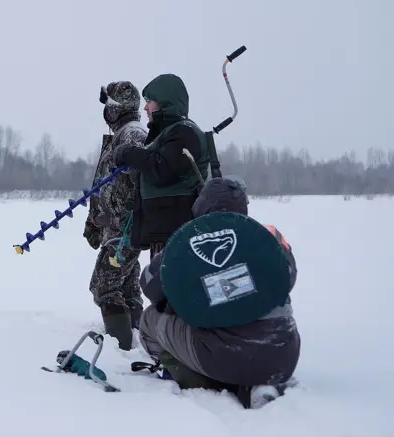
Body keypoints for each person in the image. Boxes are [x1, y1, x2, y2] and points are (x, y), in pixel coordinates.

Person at [136, 177, 300, 408]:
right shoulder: (269, 235)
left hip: (219, 357)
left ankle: (198, 379)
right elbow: (289, 276)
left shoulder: (185, 241)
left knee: (149, 320)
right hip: (282, 353)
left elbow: (149, 285)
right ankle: (262, 384)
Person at [113, 73, 210, 257]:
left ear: (165, 103)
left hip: (179, 235)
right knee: (158, 285)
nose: (145, 107)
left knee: (172, 285)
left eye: (150, 101)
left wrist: (127, 153)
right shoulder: (167, 134)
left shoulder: (185, 133)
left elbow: (161, 168)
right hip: (165, 234)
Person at [83, 81, 148, 350]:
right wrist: (94, 220)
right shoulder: (118, 136)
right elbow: (105, 184)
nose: (104, 111)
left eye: (107, 104)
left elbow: (141, 178)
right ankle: (140, 342)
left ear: (116, 107)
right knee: (128, 290)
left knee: (104, 285)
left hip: (125, 231)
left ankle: (120, 349)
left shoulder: (132, 135)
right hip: (117, 230)